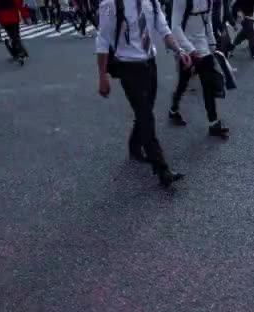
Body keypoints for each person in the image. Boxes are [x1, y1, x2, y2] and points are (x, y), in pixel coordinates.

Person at [96, 0, 192, 186]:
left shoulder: (151, 2)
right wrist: (102, 76)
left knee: (145, 111)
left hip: (150, 63)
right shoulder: (111, 4)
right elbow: (102, 39)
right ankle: (162, 168)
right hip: (128, 67)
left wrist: (179, 51)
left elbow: (164, 30)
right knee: (146, 116)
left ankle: (134, 145)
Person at [169, 0, 231, 137]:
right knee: (183, 82)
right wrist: (190, 49)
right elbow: (175, 27)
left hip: (203, 46)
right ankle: (173, 109)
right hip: (185, 47)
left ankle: (213, 123)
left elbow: (207, 21)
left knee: (208, 83)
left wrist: (212, 43)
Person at [0, 0, 30, 64]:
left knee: (13, 36)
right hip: (13, 18)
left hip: (4, 20)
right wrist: (25, 16)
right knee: (15, 36)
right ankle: (20, 52)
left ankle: (18, 52)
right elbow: (21, 5)